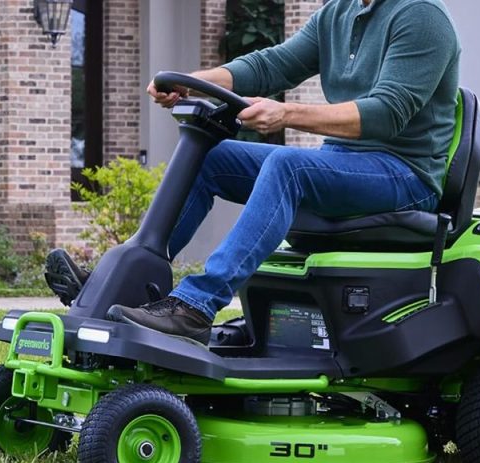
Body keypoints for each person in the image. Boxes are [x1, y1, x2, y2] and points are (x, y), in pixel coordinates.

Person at [105, 0, 461, 346]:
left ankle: (196, 306)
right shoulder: (339, 12)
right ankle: (128, 281)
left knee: (288, 167)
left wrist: (287, 114)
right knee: (213, 156)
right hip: (344, 162)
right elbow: (271, 66)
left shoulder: (422, 15)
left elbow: (387, 113)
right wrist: (192, 82)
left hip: (405, 174)